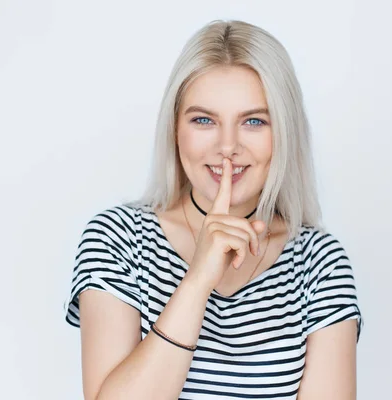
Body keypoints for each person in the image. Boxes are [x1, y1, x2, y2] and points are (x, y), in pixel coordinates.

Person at [64, 19, 364, 400]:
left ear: (284, 133)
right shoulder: (117, 239)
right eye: (203, 120)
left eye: (254, 121)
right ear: (175, 130)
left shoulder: (319, 262)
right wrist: (197, 281)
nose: (227, 146)